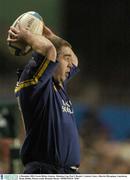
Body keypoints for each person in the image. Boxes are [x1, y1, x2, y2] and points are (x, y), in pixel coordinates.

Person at [7, 23, 80, 174]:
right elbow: (49, 50)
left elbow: (75, 59)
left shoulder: (59, 85)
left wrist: (52, 37)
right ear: (52, 63)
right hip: (44, 171)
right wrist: (27, 36)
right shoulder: (35, 82)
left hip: (67, 173)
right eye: (66, 59)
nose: (71, 64)